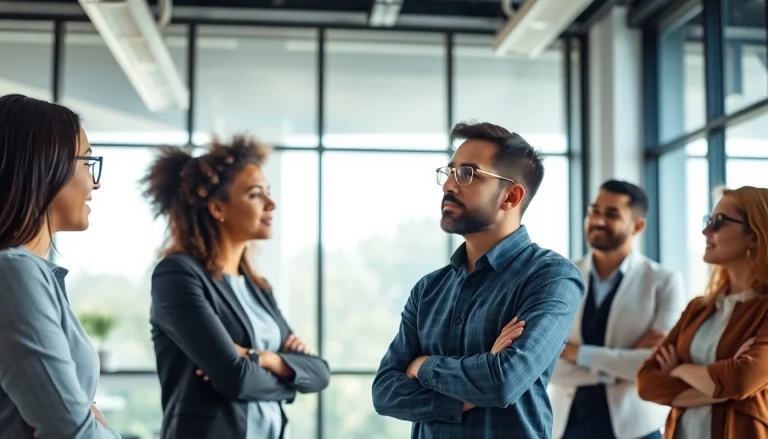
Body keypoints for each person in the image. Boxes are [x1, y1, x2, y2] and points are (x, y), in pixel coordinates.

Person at [372, 121, 586, 438]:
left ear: (511, 196)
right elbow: (385, 393)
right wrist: (466, 394)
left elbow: (503, 381)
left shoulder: (552, 276)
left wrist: (423, 366)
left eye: (467, 174)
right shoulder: (429, 289)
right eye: (449, 172)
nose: (448, 186)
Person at [143, 136, 330, 439]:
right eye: (256, 195)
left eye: (268, 193)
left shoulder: (258, 288)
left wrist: (262, 358)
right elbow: (235, 378)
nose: (271, 204)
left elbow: (319, 373)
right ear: (218, 208)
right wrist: (289, 377)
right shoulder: (177, 275)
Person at [0, 94, 118, 438]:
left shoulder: (30, 273)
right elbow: (71, 432)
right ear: (47, 164)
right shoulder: (14, 273)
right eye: (87, 163)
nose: (96, 182)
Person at [548, 180, 686, 439]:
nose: (598, 220)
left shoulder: (664, 281)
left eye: (611, 214)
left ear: (638, 225)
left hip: (636, 427)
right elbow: (545, 361)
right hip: (566, 425)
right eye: (594, 211)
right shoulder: (560, 277)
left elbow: (656, 363)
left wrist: (575, 352)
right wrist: (624, 361)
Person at [637, 185, 768, 439]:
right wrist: (723, 385)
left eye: (719, 222)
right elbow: (646, 382)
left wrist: (679, 369)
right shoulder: (698, 308)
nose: (705, 230)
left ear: (755, 235)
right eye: (708, 220)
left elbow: (742, 379)